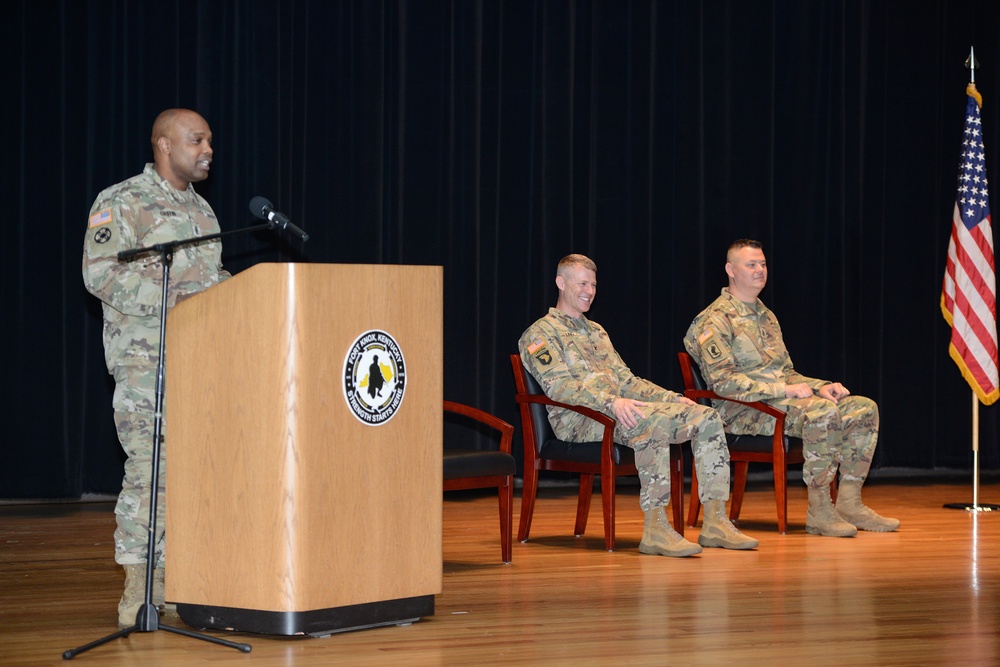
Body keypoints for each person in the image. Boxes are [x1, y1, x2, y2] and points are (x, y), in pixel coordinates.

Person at [82, 108, 231, 626]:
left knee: (194, 470)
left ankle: (185, 575)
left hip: (200, 360)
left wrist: (235, 294)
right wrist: (176, 298)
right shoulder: (120, 201)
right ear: (165, 145)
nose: (208, 149)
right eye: (197, 140)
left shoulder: (205, 213)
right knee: (150, 470)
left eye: (210, 140)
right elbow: (100, 275)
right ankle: (139, 584)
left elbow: (209, 280)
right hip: (145, 362)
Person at [519, 254, 758, 557]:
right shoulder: (540, 333)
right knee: (649, 422)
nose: (589, 291)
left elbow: (627, 381)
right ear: (560, 283)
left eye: (593, 284)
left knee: (706, 416)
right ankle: (656, 529)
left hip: (619, 409)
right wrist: (611, 401)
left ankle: (715, 521)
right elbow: (560, 387)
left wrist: (670, 398)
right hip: (579, 419)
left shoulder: (596, 331)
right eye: (582, 283)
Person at [683, 239, 898, 537]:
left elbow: (787, 373)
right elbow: (724, 383)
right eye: (751, 265)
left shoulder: (766, 316)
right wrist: (784, 389)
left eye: (763, 264)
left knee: (862, 408)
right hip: (740, 411)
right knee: (821, 413)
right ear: (730, 270)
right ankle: (820, 511)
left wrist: (820, 387)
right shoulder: (713, 321)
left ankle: (848, 502)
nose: (760, 270)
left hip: (781, 404)